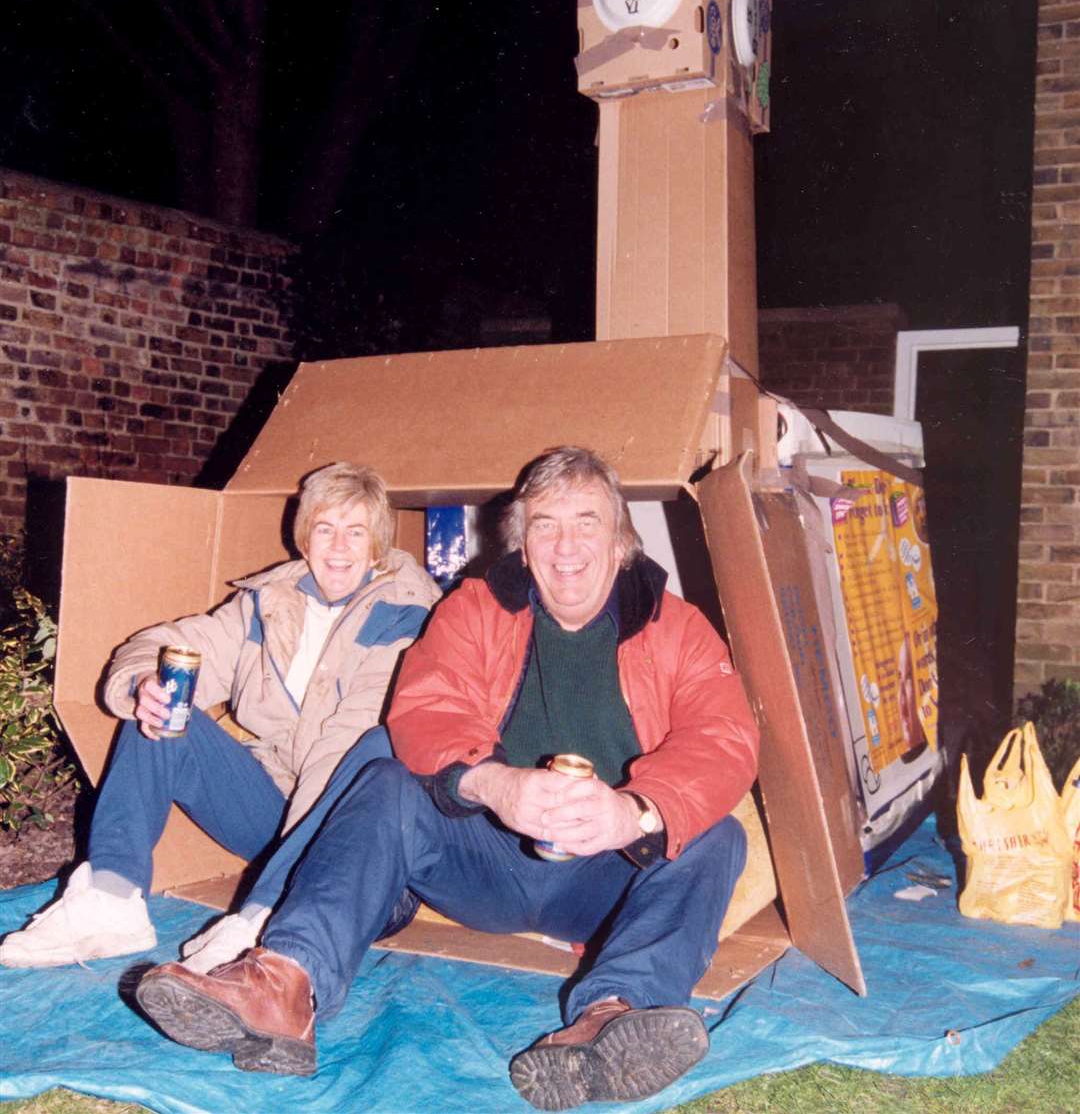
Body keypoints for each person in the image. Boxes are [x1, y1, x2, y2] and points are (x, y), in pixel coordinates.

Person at [135, 446, 759, 1110]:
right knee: (383, 778)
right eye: (545, 524)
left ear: (621, 539)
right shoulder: (477, 608)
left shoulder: (678, 627)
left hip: (604, 879)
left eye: (587, 522)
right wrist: (494, 783)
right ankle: (283, 983)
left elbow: (724, 738)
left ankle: (608, 1017)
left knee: (717, 837)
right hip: (483, 858)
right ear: (521, 541)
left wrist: (631, 811)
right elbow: (424, 709)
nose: (566, 546)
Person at [0, 461, 441, 970]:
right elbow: (174, 643)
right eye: (325, 528)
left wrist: (262, 906)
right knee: (164, 712)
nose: (338, 546)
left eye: (355, 531)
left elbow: (342, 752)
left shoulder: (409, 617)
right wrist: (145, 684)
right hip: (276, 811)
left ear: (377, 545)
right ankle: (112, 898)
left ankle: (273, 931)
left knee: (370, 754)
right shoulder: (270, 603)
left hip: (364, 849)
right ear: (304, 538)